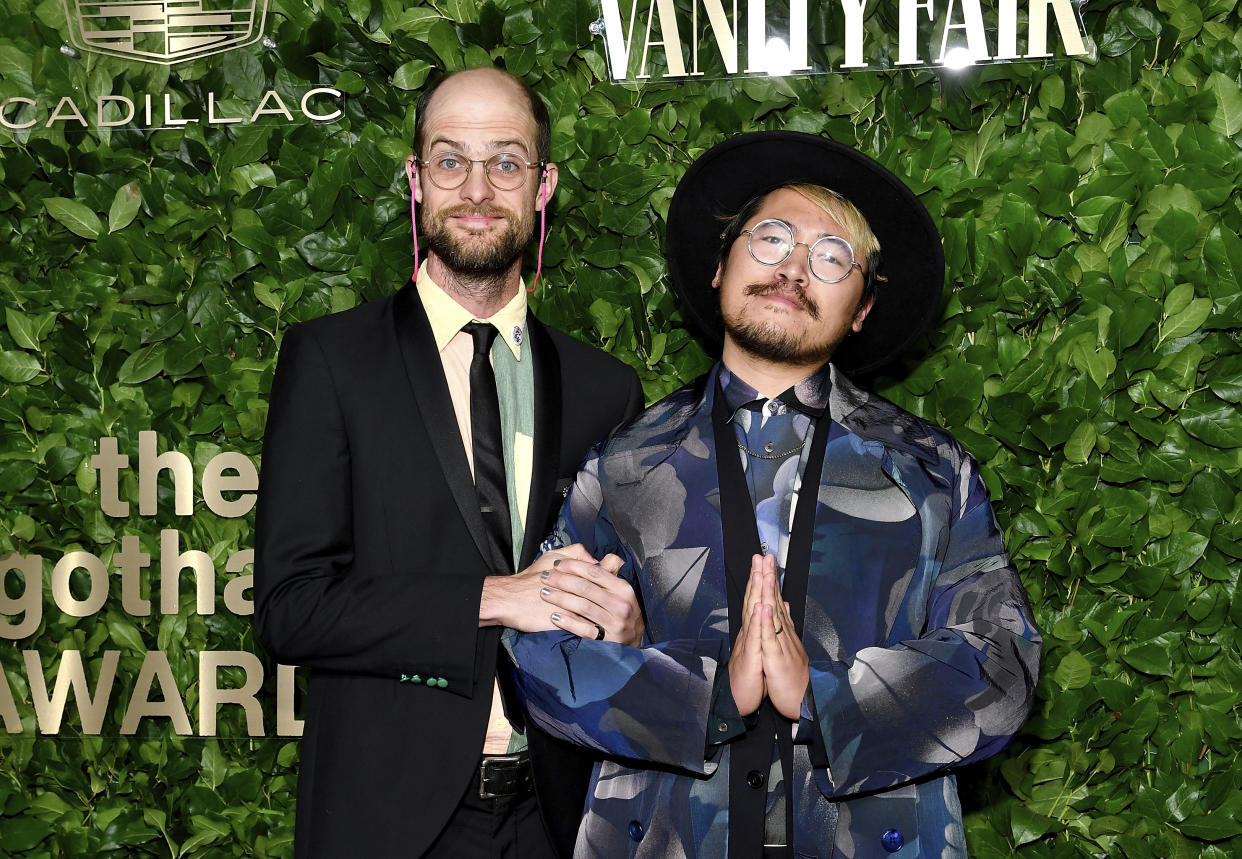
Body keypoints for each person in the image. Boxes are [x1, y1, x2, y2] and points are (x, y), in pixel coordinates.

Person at [507, 131, 1042, 858]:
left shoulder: (931, 471)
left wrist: (824, 698)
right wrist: (708, 696)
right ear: (723, 263)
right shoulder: (624, 464)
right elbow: (538, 651)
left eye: (832, 256)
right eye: (772, 237)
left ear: (860, 308)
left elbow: (1002, 663)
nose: (794, 267)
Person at [254, 67, 644, 858]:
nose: (476, 188)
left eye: (505, 161)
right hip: (390, 821)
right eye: (449, 160)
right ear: (415, 180)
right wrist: (494, 597)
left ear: (543, 186)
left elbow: (626, 593)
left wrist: (633, 624)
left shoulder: (607, 388)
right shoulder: (331, 362)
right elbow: (290, 609)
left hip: (561, 818)